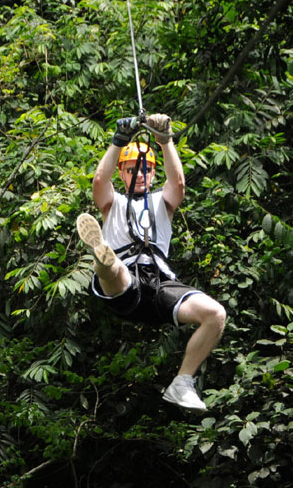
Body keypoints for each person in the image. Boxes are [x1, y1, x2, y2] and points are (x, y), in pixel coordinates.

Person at [76, 114, 226, 410]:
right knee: (114, 269)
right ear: (122, 174)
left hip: (159, 283)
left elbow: (178, 182)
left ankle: (182, 383)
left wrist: (165, 140)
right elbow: (98, 180)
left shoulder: (163, 202)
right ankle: (102, 257)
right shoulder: (112, 203)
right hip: (126, 278)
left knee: (215, 314)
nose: (140, 173)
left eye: (145, 168)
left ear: (153, 173)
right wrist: (119, 140)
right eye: (132, 169)